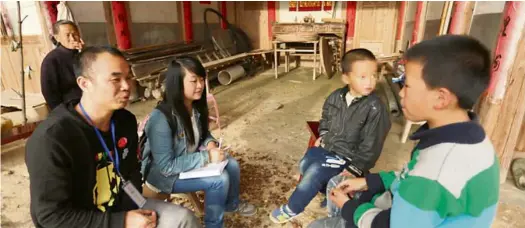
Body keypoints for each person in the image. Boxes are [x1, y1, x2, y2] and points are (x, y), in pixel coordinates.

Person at [309, 35, 498, 228]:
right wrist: (369, 181)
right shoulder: (465, 136)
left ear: (441, 98)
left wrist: (351, 208)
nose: (400, 92)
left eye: (406, 85)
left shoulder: (435, 173)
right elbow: (410, 175)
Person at [26, 46, 201, 228]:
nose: (126, 86)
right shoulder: (53, 138)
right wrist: (121, 222)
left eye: (128, 78)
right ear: (84, 83)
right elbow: (51, 217)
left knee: (183, 218)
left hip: (120, 209)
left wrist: (132, 210)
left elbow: (131, 173)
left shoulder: (124, 122)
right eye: (115, 79)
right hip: (81, 221)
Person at [270, 49, 391, 224]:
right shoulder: (335, 97)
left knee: (316, 172)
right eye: (363, 77)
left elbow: (372, 144)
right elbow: (325, 117)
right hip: (329, 147)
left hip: (349, 157)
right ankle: (326, 193)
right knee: (306, 163)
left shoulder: (375, 108)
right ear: (346, 78)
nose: (370, 82)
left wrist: (355, 169)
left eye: (374, 75)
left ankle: (293, 207)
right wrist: (324, 133)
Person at [140, 57, 256, 228]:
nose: (200, 85)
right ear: (177, 84)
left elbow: (204, 134)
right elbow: (166, 167)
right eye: (194, 81)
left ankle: (231, 205)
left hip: (188, 159)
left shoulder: (195, 107)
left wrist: (210, 144)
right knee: (219, 180)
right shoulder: (161, 118)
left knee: (231, 164)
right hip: (166, 176)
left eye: (202, 79)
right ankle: (213, 224)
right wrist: (207, 157)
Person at [40, 20, 84, 110]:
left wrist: (85, 53)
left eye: (74, 34)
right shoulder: (51, 60)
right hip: (71, 106)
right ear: (57, 38)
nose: (72, 38)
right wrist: (62, 113)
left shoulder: (84, 54)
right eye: (67, 35)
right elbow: (49, 93)